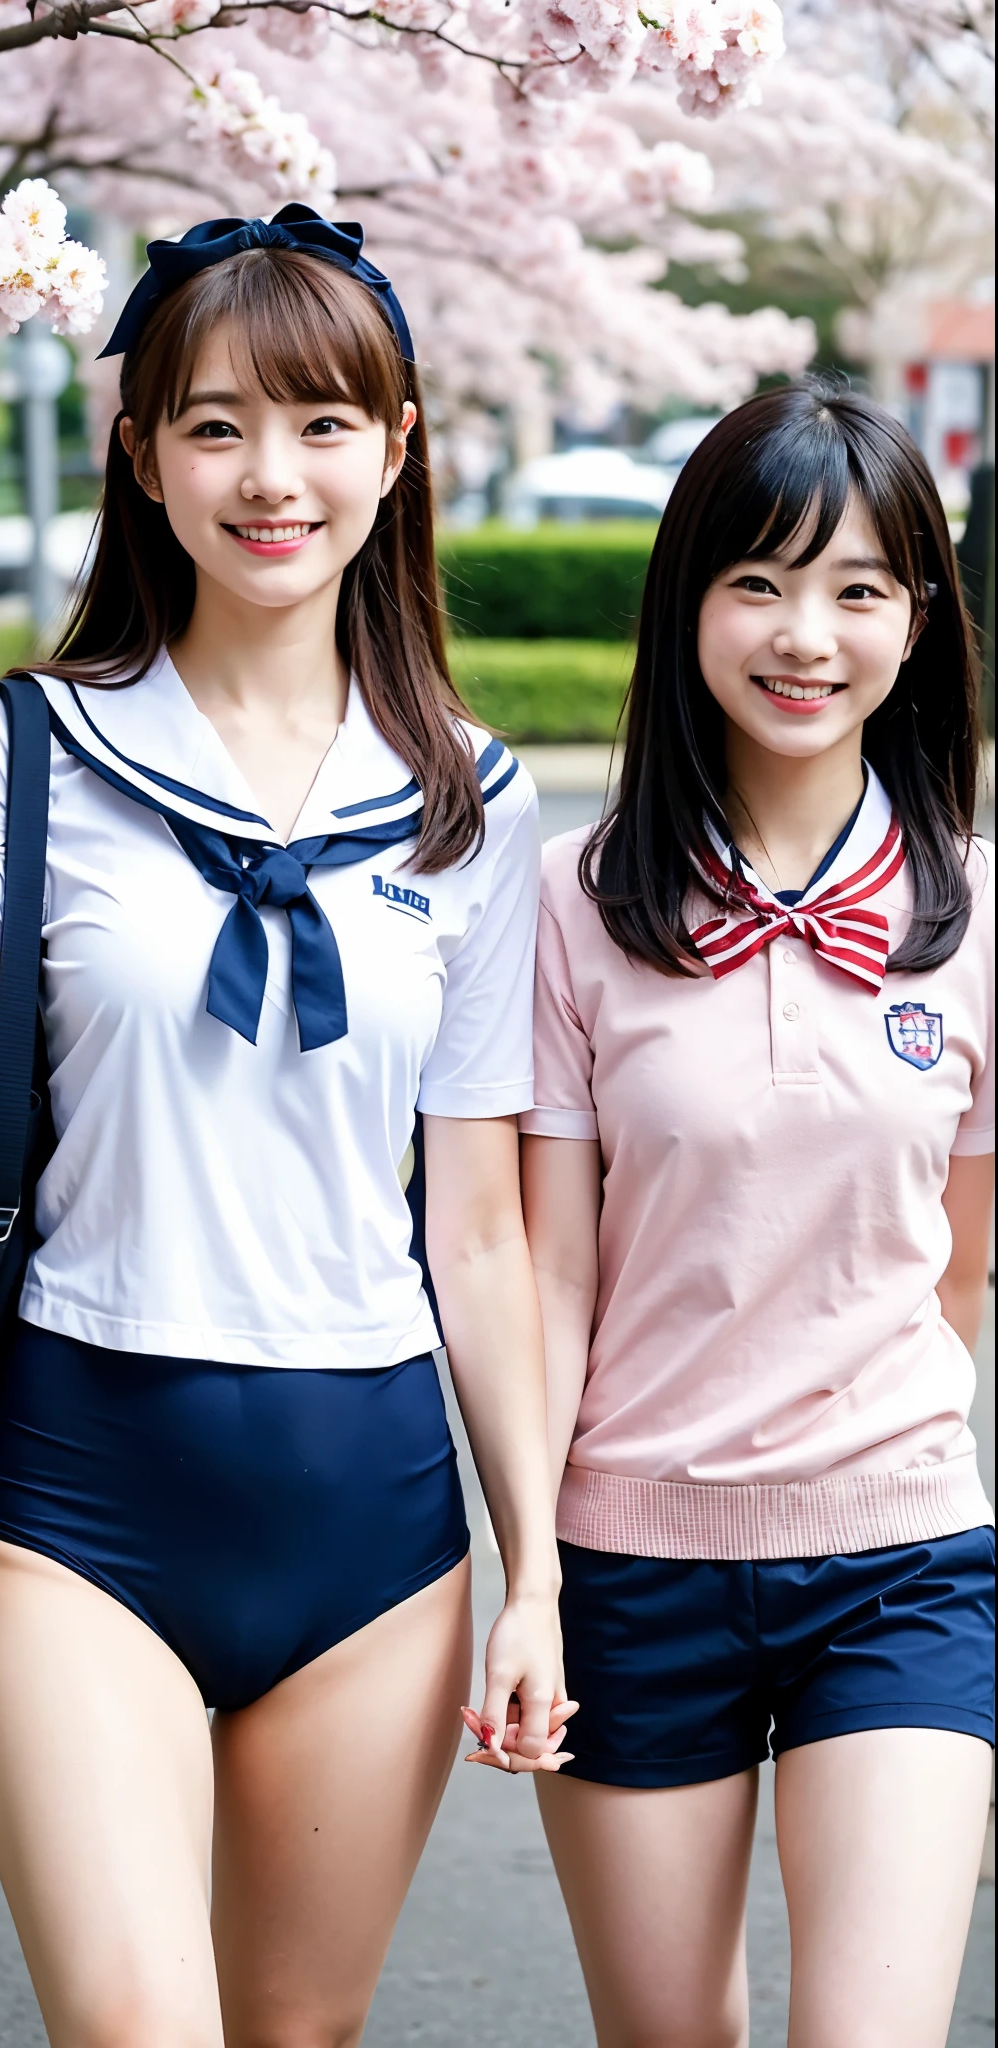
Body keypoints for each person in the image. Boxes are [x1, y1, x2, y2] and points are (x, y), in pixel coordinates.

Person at [0, 206, 573, 2048]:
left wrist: (535, 1571)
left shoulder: (474, 801)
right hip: (86, 1485)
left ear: (397, 455)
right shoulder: (42, 748)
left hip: (375, 1515)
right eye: (216, 423)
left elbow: (477, 1230)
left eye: (323, 424)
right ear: (142, 459)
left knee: (294, 2034)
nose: (271, 476)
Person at [522, 382, 994, 2048]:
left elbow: (964, 1262)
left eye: (862, 589)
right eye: (762, 583)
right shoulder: (573, 910)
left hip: (903, 1560)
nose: (810, 635)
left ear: (920, 623)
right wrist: (528, 1573)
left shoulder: (980, 914)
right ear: (690, 606)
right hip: (634, 1562)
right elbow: (550, 1267)